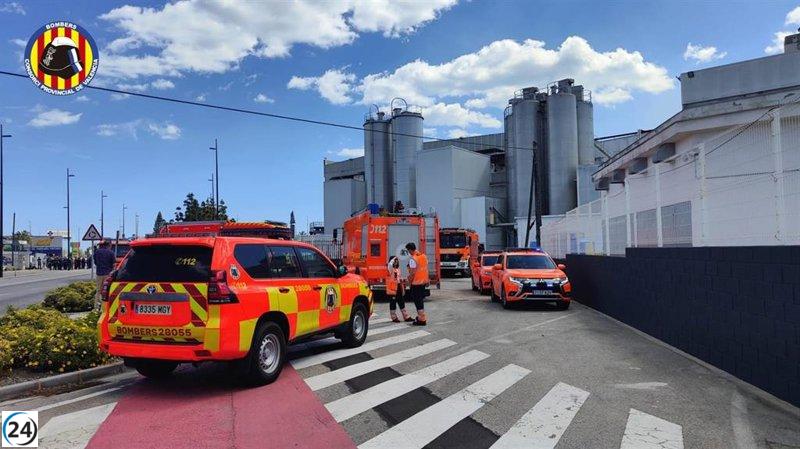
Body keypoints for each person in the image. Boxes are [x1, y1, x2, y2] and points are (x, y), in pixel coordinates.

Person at [405, 242, 429, 326]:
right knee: (420, 301)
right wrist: (427, 280)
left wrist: (408, 282)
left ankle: (422, 319)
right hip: (423, 283)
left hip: (416, 283)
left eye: (408, 251)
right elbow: (425, 269)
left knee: (417, 301)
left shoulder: (413, 259)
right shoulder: (423, 256)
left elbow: (412, 274)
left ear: (410, 250)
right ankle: (421, 317)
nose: (408, 253)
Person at [386, 256, 412, 323]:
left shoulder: (398, 269)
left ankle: (406, 316)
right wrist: (394, 258)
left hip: (398, 288)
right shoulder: (389, 269)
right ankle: (394, 317)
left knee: (401, 302)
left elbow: (399, 280)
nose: (396, 262)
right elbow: (390, 264)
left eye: (397, 261)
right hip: (392, 289)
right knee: (393, 303)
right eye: (395, 261)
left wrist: (403, 289)